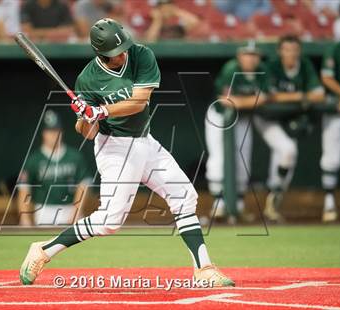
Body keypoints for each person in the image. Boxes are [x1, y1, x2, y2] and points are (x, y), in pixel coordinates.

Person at [19, 18, 234, 287]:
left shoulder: (141, 55)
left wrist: (101, 110)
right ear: (101, 54)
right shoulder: (87, 79)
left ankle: (204, 269)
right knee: (110, 221)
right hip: (115, 147)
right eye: (116, 53)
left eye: (124, 48)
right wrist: (86, 117)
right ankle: (43, 250)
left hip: (145, 140)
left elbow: (140, 100)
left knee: (184, 196)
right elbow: (87, 132)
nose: (123, 54)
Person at [254, 35, 325, 222]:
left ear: (299, 51)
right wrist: (301, 96)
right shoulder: (272, 66)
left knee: (287, 157)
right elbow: (270, 96)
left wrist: (292, 98)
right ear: (280, 51)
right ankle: (273, 194)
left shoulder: (305, 65)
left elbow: (319, 95)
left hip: (288, 120)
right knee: (288, 150)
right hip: (267, 119)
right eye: (287, 50)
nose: (291, 54)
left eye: (294, 50)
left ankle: (273, 200)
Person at [205, 42, 268, 223]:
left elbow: (265, 97)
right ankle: (218, 204)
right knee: (218, 157)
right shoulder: (231, 68)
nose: (250, 58)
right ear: (239, 56)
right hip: (218, 117)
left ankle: (238, 205)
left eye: (254, 54)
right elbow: (226, 100)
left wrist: (242, 102)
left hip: (242, 118)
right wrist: (253, 100)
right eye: (247, 54)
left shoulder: (263, 70)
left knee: (243, 159)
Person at [18, 110, 92, 226]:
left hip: (70, 208)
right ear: (43, 133)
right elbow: (24, 190)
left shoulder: (75, 157)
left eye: (56, 131)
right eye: (50, 131)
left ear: (61, 132)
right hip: (44, 211)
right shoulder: (34, 159)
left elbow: (83, 186)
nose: (53, 134)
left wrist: (76, 212)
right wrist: (25, 217)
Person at [320, 40, 340, 222]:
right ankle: (329, 203)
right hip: (337, 109)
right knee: (332, 158)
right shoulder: (335, 48)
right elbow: (326, 77)